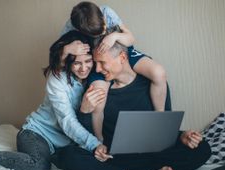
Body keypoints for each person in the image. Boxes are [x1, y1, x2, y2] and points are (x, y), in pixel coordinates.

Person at [52, 38, 212, 170]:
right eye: (96, 63)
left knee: (202, 148)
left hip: (152, 154)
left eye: (102, 62)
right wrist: (84, 111)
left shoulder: (153, 85)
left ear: (122, 57)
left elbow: (161, 128)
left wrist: (181, 136)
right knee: (68, 156)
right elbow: (89, 136)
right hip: (114, 156)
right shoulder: (98, 90)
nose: (97, 69)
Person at [0, 31, 106, 170]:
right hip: (36, 134)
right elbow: (67, 121)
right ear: (67, 62)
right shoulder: (57, 79)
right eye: (77, 63)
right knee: (39, 165)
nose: (84, 68)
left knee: (82, 163)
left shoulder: (94, 78)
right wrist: (93, 144)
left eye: (87, 61)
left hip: (63, 143)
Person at [61, 1, 168, 142]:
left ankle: (160, 117)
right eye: (97, 34)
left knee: (158, 72)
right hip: (98, 58)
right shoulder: (70, 27)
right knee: (98, 99)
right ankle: (99, 140)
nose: (103, 33)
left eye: (104, 29)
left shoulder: (107, 11)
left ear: (102, 18)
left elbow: (130, 38)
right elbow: (61, 59)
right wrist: (67, 50)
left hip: (121, 50)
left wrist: (114, 36)